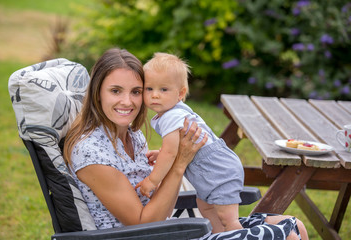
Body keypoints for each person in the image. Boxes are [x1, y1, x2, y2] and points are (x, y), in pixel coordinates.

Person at [63, 48, 308, 239]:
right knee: (287, 235)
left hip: (169, 229)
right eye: (115, 91)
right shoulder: (90, 152)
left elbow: (157, 200)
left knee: (294, 225)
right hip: (148, 235)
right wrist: (179, 163)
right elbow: (143, 224)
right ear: (97, 93)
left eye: (136, 91)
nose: (127, 101)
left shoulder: (131, 135)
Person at [136, 52, 244, 233]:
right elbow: (174, 145)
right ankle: (219, 236)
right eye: (149, 89)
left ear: (180, 93)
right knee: (206, 208)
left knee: (228, 218)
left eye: (163, 90)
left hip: (218, 170)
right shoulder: (174, 112)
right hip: (211, 169)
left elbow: (170, 153)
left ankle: (238, 236)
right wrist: (161, 152)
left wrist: (152, 180)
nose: (155, 95)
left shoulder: (171, 116)